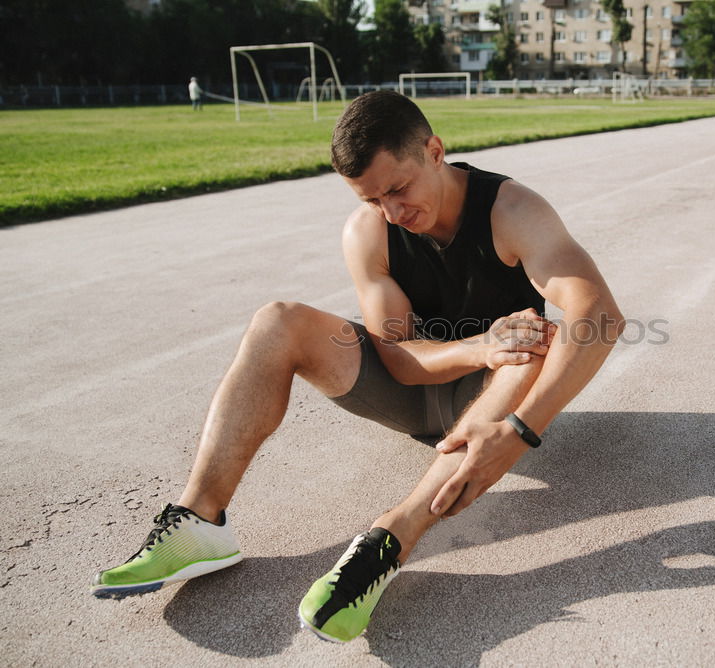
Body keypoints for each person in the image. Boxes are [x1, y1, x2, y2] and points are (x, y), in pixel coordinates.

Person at [91, 91, 624, 642]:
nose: (392, 211)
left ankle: (389, 540)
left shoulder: (512, 211)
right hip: (417, 391)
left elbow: (601, 314)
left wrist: (518, 429)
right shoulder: (369, 230)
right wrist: (478, 345)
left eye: (398, 189)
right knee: (278, 321)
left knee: (539, 339)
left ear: (434, 151)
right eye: (372, 198)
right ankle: (200, 523)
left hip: (500, 399)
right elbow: (396, 357)